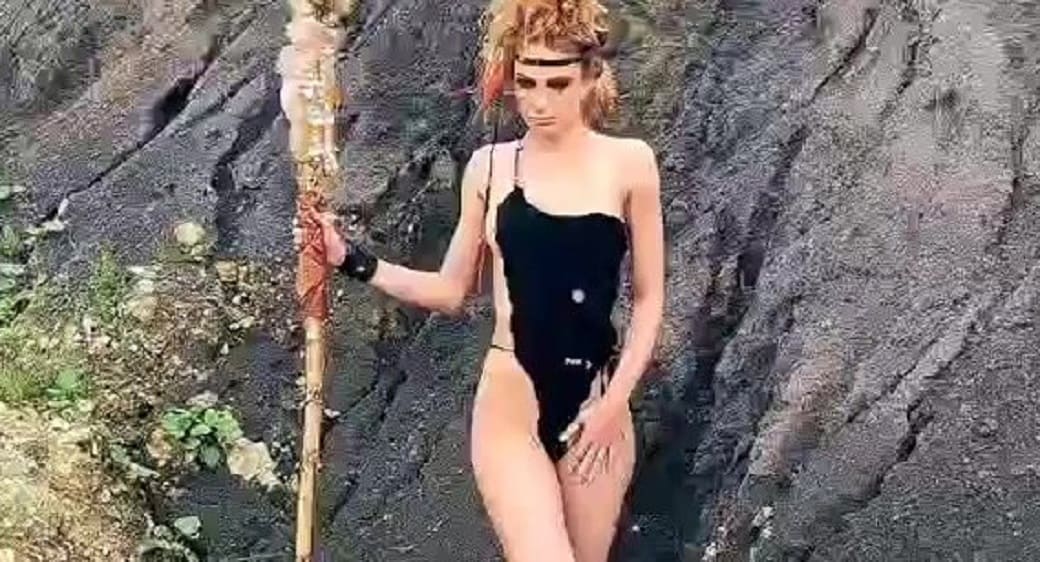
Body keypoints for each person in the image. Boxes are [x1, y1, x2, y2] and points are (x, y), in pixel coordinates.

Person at [295, 0, 664, 559]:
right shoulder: (490, 168)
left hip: (597, 404)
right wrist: (351, 259)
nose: (538, 102)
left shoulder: (630, 164)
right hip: (510, 408)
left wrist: (614, 406)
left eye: (557, 84)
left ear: (590, 76)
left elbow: (650, 298)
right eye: (526, 83)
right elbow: (451, 291)